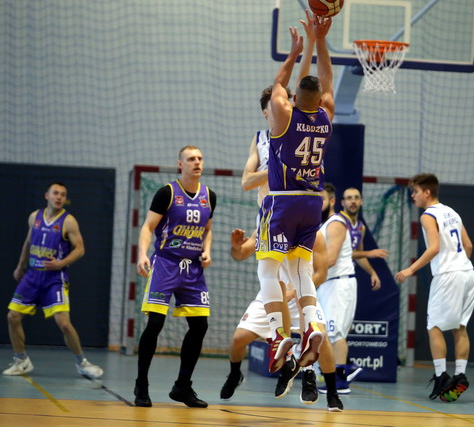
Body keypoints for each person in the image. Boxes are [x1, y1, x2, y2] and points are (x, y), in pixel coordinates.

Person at [256, 11, 335, 379]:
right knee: (301, 270)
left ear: (292, 99)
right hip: (312, 203)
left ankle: (277, 335)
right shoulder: (326, 115)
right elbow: (326, 80)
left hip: (283, 200)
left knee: (267, 269)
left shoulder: (282, 116)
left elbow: (278, 86)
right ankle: (313, 325)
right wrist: (320, 40)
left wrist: (294, 52)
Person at [221, 228, 343, 412]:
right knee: (238, 339)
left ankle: (331, 392)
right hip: (271, 295)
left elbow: (321, 274)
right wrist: (236, 247)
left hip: (302, 294)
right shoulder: (266, 228)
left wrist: (294, 292)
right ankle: (235, 374)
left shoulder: (314, 234)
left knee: (322, 337)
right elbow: (241, 254)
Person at [133, 145, 216, 409]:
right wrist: (142, 254)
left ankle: (182, 386)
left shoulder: (209, 196)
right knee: (155, 323)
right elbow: (148, 227)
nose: (197, 162)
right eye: (191, 159)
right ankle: (141, 384)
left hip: (192, 269)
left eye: (200, 158)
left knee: (200, 326)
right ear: (180, 164)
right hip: (165, 264)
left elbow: (208, 229)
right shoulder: (167, 193)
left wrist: (207, 250)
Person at [3, 182, 103, 379]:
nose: (59, 197)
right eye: (55, 193)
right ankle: (21, 360)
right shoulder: (34, 217)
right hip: (32, 275)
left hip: (54, 278)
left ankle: (82, 363)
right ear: (47, 196)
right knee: (12, 316)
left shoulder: (68, 221)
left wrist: (61, 263)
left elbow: (80, 249)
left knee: (63, 323)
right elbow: (28, 243)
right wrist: (20, 266)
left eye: (63, 194)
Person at [396, 173, 474, 402]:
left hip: (449, 276)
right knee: (460, 327)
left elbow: (434, 248)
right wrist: (459, 264)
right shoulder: (452, 212)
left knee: (434, 326)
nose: (413, 196)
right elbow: (469, 245)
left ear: (427, 192)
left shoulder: (427, 215)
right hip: (468, 274)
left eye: (415, 191)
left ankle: (441, 376)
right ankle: (460, 375)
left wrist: (410, 269)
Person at [317, 183, 381, 394]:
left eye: (322, 199)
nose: (317, 203)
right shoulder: (329, 224)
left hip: (338, 282)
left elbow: (331, 259)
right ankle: (346, 369)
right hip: (331, 282)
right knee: (329, 332)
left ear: (333, 201)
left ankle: (340, 380)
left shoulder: (336, 223)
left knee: (335, 334)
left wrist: (308, 276)